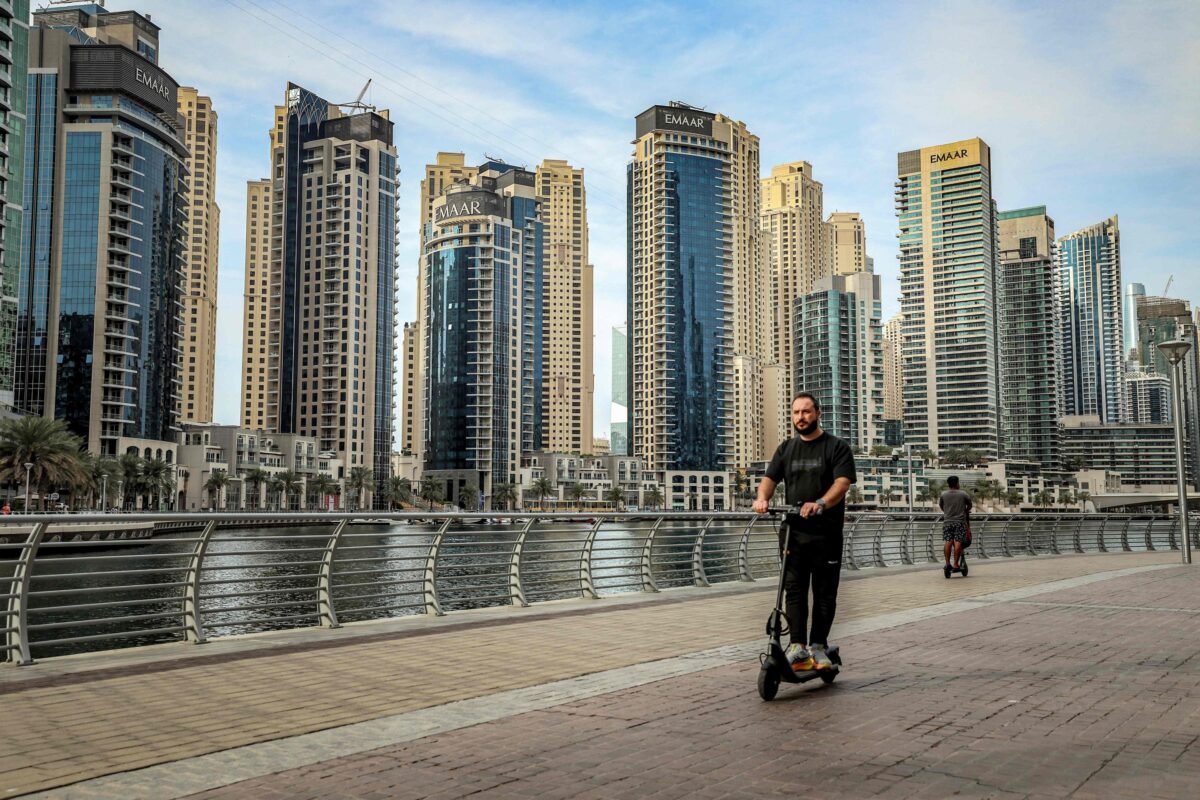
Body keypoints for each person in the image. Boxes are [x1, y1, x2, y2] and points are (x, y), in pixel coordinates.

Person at [753, 392, 856, 671]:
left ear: (818, 413)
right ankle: (798, 647)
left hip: (826, 533)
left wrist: (821, 503)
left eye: (806, 412)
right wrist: (762, 498)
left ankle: (819, 646)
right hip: (793, 534)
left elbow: (842, 483)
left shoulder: (836, 447)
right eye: (796, 412)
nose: (801, 417)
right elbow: (769, 479)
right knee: (794, 591)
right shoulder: (786, 449)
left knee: (824, 593)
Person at [939, 476, 972, 571]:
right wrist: (965, 511)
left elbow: (942, 506)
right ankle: (956, 564)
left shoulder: (943, 494)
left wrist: (948, 513)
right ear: (957, 483)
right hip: (960, 522)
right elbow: (970, 505)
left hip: (947, 522)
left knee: (948, 541)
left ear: (948, 484)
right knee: (958, 541)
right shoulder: (963, 494)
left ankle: (947, 563)